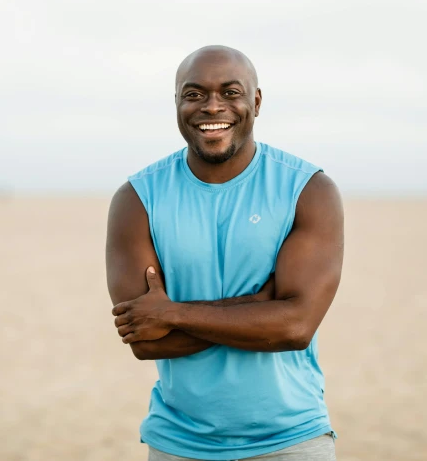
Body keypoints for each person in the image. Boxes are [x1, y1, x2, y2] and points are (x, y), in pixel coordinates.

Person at [106, 46, 344, 461]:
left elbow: (294, 328)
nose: (212, 106)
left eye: (230, 92)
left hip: (291, 439)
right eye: (194, 94)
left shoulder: (308, 191)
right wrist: (257, 307)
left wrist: (171, 313)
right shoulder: (137, 199)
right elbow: (145, 341)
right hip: (178, 442)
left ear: (255, 101)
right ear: (177, 103)